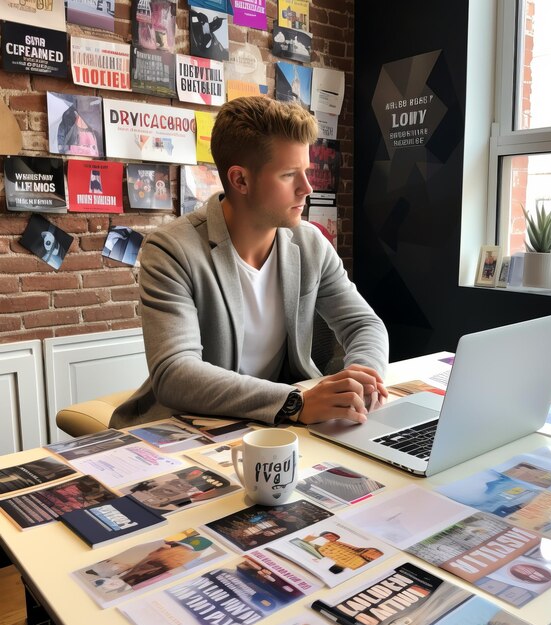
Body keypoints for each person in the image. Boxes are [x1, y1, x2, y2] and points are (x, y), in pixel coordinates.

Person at [111, 96, 389, 429]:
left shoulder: (310, 242)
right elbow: (176, 373)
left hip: (277, 428)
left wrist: (363, 378)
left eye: (307, 171)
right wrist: (293, 403)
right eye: (289, 175)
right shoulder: (172, 249)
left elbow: (364, 324)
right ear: (240, 180)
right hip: (193, 429)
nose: (308, 188)